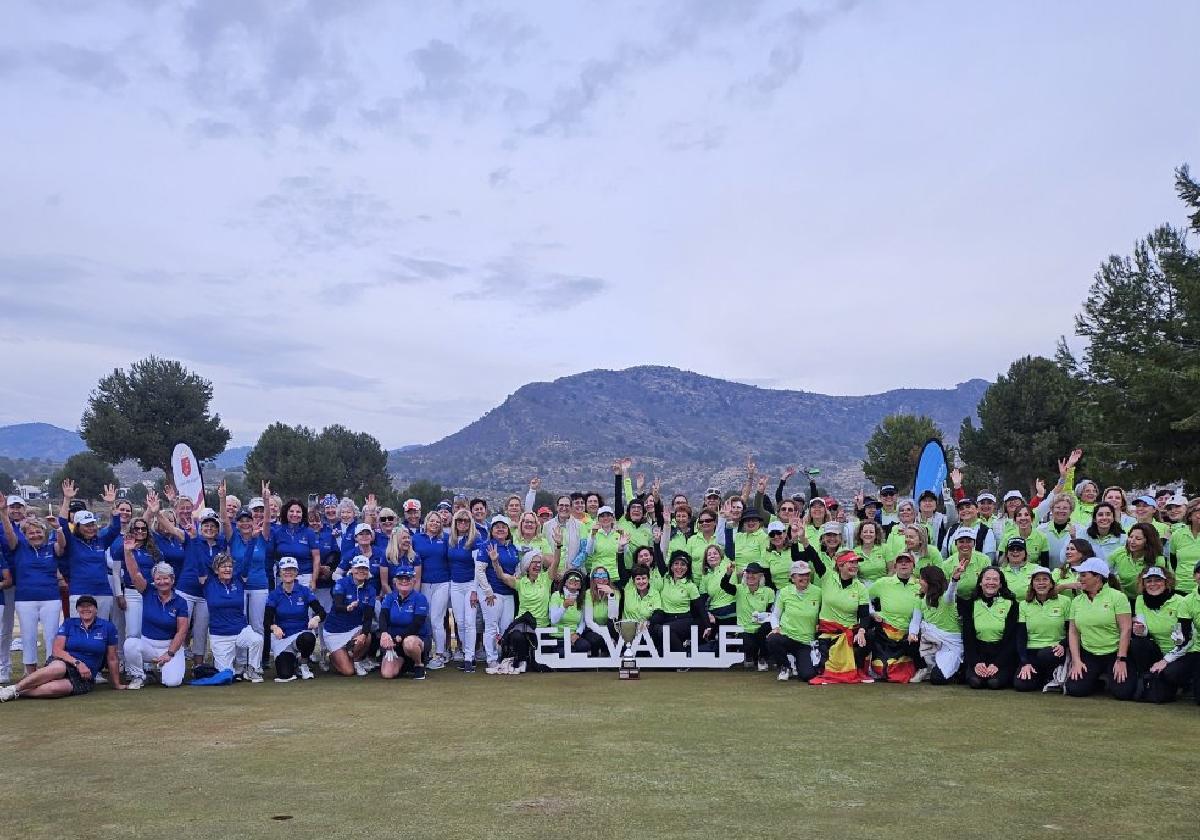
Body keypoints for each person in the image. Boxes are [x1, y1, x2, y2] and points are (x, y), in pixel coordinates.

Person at [0, 595, 123, 701]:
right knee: (58, 668)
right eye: (82, 606)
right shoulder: (69, 623)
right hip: (65, 661)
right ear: (78, 610)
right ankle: (13, 689)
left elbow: (112, 658)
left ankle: (12, 693)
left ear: (96, 609)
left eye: (89, 606)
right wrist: (78, 663)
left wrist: (116, 683)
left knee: (54, 689)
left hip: (86, 675)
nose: (85, 609)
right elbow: (57, 650)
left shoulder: (108, 627)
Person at [1, 497, 63, 676]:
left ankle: (51, 671)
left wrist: (58, 528)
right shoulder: (19, 547)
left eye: (38, 532)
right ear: (25, 536)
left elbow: (63, 546)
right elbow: (10, 536)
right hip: (25, 599)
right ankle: (31, 674)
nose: (35, 535)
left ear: (44, 533)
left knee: (51, 636)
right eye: (31, 533)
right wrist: (3, 513)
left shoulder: (51, 548)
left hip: (51, 599)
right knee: (28, 637)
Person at [1065, 558, 1134, 700]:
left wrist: (1121, 659)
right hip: (1089, 653)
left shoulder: (1118, 597)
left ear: (1097, 577)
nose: (1080, 578)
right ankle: (1096, 681)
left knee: (1123, 693)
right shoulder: (1077, 601)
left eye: (1084, 575)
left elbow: (1126, 629)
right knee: (1075, 689)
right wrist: (1076, 661)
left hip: (1114, 652)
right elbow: (1073, 632)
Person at [121, 555, 189, 690]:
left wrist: (169, 654)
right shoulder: (148, 592)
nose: (162, 582)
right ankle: (138, 676)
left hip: (170, 646)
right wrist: (128, 552)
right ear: (154, 580)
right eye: (158, 578)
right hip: (148, 645)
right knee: (130, 644)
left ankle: (162, 670)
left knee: (172, 682)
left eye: (165, 578)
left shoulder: (181, 601)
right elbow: (135, 574)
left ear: (172, 580)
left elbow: (182, 631)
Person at [56, 479, 121, 618]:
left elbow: (116, 528)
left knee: (101, 630)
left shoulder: (101, 540)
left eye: (92, 524)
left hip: (103, 591)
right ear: (78, 526)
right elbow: (62, 523)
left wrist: (111, 504)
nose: (91, 528)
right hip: (80, 591)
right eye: (87, 525)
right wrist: (67, 499)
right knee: (80, 631)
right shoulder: (72, 541)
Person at [808, 550, 872, 684]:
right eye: (851, 562)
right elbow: (814, 557)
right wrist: (803, 539)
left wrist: (861, 631)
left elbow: (864, 615)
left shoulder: (860, 588)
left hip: (849, 630)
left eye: (856, 563)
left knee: (868, 636)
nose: (855, 566)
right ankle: (826, 671)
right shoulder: (827, 576)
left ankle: (859, 669)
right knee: (813, 669)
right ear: (841, 565)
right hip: (828, 631)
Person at [201, 553, 264, 683]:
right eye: (223, 566)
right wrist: (193, 539)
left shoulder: (238, 581)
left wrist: (252, 540)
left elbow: (247, 561)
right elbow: (199, 562)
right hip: (220, 635)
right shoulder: (208, 584)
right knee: (226, 676)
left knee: (257, 639)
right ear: (216, 570)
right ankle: (236, 668)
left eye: (230, 566)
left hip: (240, 630)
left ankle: (252, 669)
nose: (227, 569)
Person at [1129, 567, 1186, 702]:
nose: (1153, 584)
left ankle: (1181, 684)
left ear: (1166, 582)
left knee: (1169, 674)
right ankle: (1147, 678)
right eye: (1149, 581)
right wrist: (1140, 630)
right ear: (1143, 584)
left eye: (1158, 580)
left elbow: (1185, 639)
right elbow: (1144, 632)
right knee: (1137, 643)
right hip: (1156, 651)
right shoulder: (1140, 600)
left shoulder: (1180, 601)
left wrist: (1166, 660)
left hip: (1179, 652)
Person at [264, 557, 326, 682]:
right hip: (283, 638)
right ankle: (294, 661)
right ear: (280, 572)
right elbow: (267, 621)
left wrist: (316, 618)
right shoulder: (274, 594)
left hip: (301, 635)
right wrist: (274, 627)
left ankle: (303, 664)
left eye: (291, 569)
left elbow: (321, 611)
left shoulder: (304, 591)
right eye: (285, 570)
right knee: (285, 675)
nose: (288, 573)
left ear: (296, 572)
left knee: (309, 638)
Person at [909, 557, 967, 684]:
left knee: (937, 679)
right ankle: (923, 668)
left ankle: (956, 670)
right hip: (931, 641)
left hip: (949, 645)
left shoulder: (946, 599)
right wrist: (912, 633)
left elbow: (951, 591)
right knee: (907, 640)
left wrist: (955, 578)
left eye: (922, 578)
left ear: (931, 581)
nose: (919, 581)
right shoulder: (920, 600)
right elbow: (915, 620)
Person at [866, 551, 921, 683]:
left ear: (913, 566)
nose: (903, 564)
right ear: (895, 567)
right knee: (881, 669)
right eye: (900, 561)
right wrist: (872, 612)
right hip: (885, 632)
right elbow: (863, 596)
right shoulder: (883, 582)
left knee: (904, 671)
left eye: (907, 561)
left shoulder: (919, 586)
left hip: (908, 634)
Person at [959, 567, 1018, 690]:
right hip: (978, 653)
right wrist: (976, 662)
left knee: (994, 683)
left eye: (995, 579)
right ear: (980, 582)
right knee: (975, 682)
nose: (991, 582)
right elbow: (967, 637)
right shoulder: (971, 604)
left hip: (1001, 654)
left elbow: (1012, 639)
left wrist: (997, 664)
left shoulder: (1011, 604)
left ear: (1000, 584)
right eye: (987, 579)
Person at [1013, 567, 1070, 692]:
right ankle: (1046, 678)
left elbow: (1071, 630)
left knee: (1045, 655)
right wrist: (1025, 662)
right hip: (1032, 651)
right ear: (1032, 585)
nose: (1041, 583)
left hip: (1055, 650)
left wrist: (1063, 644)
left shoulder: (1065, 602)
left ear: (1051, 584)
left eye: (1045, 579)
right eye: (1037, 580)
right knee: (1021, 685)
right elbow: (1021, 635)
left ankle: (1055, 675)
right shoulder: (1023, 605)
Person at [476, 516, 520, 673]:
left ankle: (503, 657)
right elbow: (479, 570)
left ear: (508, 531)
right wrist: (487, 591)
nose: (500, 529)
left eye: (504, 527)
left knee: (506, 628)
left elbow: (517, 568)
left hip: (509, 593)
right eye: (497, 527)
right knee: (491, 627)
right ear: (492, 530)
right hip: (493, 593)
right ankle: (491, 659)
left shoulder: (512, 548)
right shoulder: (487, 546)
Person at [766, 559, 822, 682]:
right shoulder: (784, 592)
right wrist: (775, 628)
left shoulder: (818, 592)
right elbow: (775, 615)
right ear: (792, 578)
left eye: (807, 574)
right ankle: (785, 666)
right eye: (801, 575)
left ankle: (798, 663)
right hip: (787, 636)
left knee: (808, 675)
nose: (805, 578)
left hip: (806, 642)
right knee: (772, 639)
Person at [323, 557, 377, 677]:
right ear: (352, 569)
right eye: (358, 568)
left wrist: (363, 633)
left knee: (366, 636)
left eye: (364, 568)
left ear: (368, 571)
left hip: (354, 628)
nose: (361, 571)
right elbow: (337, 606)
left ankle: (356, 660)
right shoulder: (341, 583)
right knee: (348, 672)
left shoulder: (371, 590)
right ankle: (333, 656)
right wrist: (347, 608)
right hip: (334, 631)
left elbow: (368, 617)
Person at [379, 564, 431, 680]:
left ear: (413, 581)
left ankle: (419, 664)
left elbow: (417, 624)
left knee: (410, 643)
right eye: (401, 578)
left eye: (407, 578)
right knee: (387, 674)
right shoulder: (389, 597)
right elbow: (383, 617)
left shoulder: (420, 598)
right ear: (395, 581)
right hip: (395, 642)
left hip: (415, 638)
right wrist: (384, 634)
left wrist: (400, 637)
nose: (404, 581)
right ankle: (406, 664)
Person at [719, 561, 774, 670]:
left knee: (766, 629)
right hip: (744, 629)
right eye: (748, 573)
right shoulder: (739, 589)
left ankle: (762, 657)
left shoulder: (769, 592)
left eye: (754, 573)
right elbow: (724, 585)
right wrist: (728, 573)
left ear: (760, 576)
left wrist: (762, 618)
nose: (750, 576)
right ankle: (750, 655)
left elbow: (770, 613)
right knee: (749, 647)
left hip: (761, 628)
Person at [413, 512, 451, 669]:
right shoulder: (416, 539)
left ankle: (440, 654)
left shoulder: (446, 539)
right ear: (426, 522)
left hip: (442, 583)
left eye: (438, 521)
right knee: (426, 619)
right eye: (432, 521)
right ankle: (427, 652)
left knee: (436, 619)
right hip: (422, 584)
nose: (434, 523)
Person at [447, 510, 480, 671]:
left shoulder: (474, 540)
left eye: (466, 521)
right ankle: (468, 653)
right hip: (455, 584)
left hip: (470, 584)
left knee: (469, 621)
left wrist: (475, 590)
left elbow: (478, 567)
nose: (462, 523)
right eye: (459, 520)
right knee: (459, 622)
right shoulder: (452, 540)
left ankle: (469, 657)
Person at [270, 491, 320, 587]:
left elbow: (316, 558)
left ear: (302, 515)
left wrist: (314, 580)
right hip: (283, 578)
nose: (295, 514)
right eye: (291, 511)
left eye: (298, 512)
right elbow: (271, 556)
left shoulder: (309, 533)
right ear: (286, 513)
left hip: (304, 577)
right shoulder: (277, 532)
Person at [1109, 523, 1164, 599]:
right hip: (1123, 599)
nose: (1132, 541)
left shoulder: (1158, 560)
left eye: (1138, 539)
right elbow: (1105, 571)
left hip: (1149, 598)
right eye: (1130, 537)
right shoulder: (1119, 552)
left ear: (1148, 541)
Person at [1171, 498, 1200, 595]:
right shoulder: (1177, 534)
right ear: (1189, 515)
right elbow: (1173, 561)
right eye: (1198, 510)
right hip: (1181, 588)